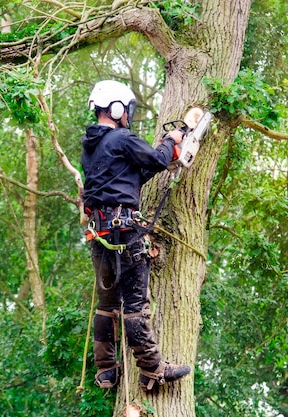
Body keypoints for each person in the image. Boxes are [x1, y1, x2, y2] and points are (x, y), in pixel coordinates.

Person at [81, 80, 191, 391]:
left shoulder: (91, 147)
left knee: (107, 304)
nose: (128, 115)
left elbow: (130, 176)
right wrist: (171, 141)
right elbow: (155, 159)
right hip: (124, 232)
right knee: (135, 304)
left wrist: (161, 157)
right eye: (126, 110)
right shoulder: (122, 138)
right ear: (116, 109)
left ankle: (105, 370)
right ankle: (152, 367)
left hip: (99, 234)